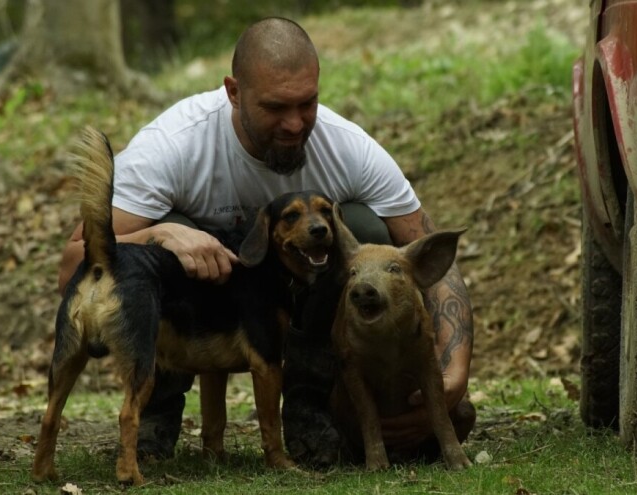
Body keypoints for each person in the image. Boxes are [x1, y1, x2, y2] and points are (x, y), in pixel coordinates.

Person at [57, 16, 474, 466]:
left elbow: (434, 258)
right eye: (276, 107)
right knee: (157, 234)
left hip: (300, 302)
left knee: (366, 231)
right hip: (196, 306)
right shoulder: (174, 145)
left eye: (308, 103)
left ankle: (314, 406)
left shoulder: (348, 147)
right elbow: (76, 264)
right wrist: (159, 235)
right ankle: (155, 414)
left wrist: (452, 376)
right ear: (233, 92)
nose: (295, 124)